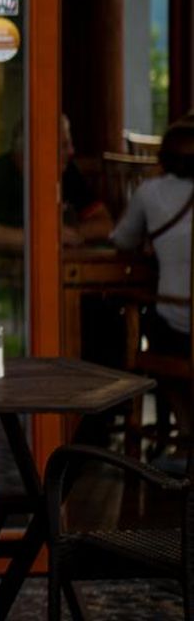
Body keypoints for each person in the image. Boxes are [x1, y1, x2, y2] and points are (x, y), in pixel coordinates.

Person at [111, 122, 194, 434]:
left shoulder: (150, 192)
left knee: (150, 321)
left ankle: (184, 429)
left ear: (163, 159)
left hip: (178, 327)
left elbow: (122, 240)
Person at [0, 114, 113, 249]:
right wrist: (36, 238)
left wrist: (70, 233)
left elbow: (105, 224)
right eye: (64, 145)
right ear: (37, 146)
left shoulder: (67, 171)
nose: (71, 151)